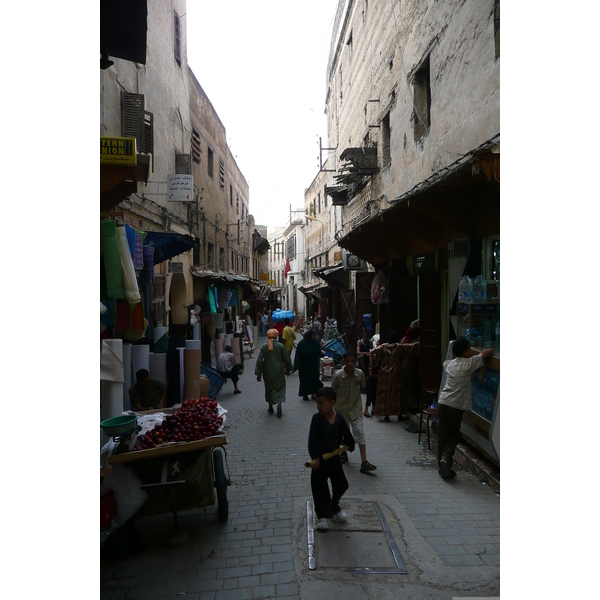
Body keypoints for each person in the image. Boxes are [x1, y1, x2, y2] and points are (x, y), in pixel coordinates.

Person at [437, 339, 493, 479]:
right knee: (455, 435)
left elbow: (446, 362)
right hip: (455, 406)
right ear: (464, 352)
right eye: (468, 349)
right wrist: (477, 353)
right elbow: (488, 353)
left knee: (443, 436)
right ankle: (446, 459)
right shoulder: (469, 363)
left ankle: (442, 466)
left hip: (442, 402)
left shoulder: (449, 364)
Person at [308, 386, 356, 529]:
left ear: (332, 403)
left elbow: (346, 434)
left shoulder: (339, 418)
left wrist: (350, 444)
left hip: (335, 460)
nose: (318, 406)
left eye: (321, 403)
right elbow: (312, 440)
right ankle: (322, 516)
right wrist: (315, 457)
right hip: (320, 461)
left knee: (341, 484)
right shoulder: (316, 419)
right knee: (319, 489)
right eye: (317, 403)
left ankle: (334, 507)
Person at [331, 351, 377, 473]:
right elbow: (332, 391)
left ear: (356, 361)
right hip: (341, 411)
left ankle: (364, 462)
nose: (350, 363)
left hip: (355, 409)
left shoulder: (360, 374)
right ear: (344, 361)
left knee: (360, 434)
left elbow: (363, 388)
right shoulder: (338, 376)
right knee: (342, 435)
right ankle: (343, 454)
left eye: (353, 361)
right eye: (348, 361)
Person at [370, 331, 420, 422]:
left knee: (385, 395)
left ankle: (386, 415)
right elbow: (413, 346)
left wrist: (375, 364)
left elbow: (373, 352)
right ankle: (399, 415)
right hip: (396, 374)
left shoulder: (383, 347)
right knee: (397, 395)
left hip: (384, 375)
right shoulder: (399, 347)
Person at [255, 329, 292, 418]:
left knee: (269, 388)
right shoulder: (280, 346)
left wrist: (259, 373)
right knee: (280, 388)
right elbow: (287, 359)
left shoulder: (264, 347)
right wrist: (288, 369)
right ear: (276, 336)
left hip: (267, 371)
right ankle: (279, 404)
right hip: (279, 370)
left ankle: (270, 406)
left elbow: (260, 360)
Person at [294, 329, 323, 401]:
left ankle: (313, 394)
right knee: (305, 380)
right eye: (313, 335)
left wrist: (321, 353)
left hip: (314, 365)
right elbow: (297, 355)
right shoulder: (301, 344)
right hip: (304, 366)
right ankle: (305, 394)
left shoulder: (315, 343)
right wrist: (296, 365)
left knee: (314, 379)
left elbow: (318, 351)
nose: (314, 337)